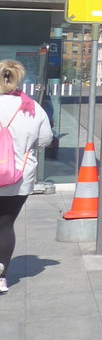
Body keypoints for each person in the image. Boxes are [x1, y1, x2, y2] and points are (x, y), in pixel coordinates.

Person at [0, 59, 56, 294]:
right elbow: (45, 140)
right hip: (19, 178)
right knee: (5, 225)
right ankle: (2, 276)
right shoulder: (32, 107)